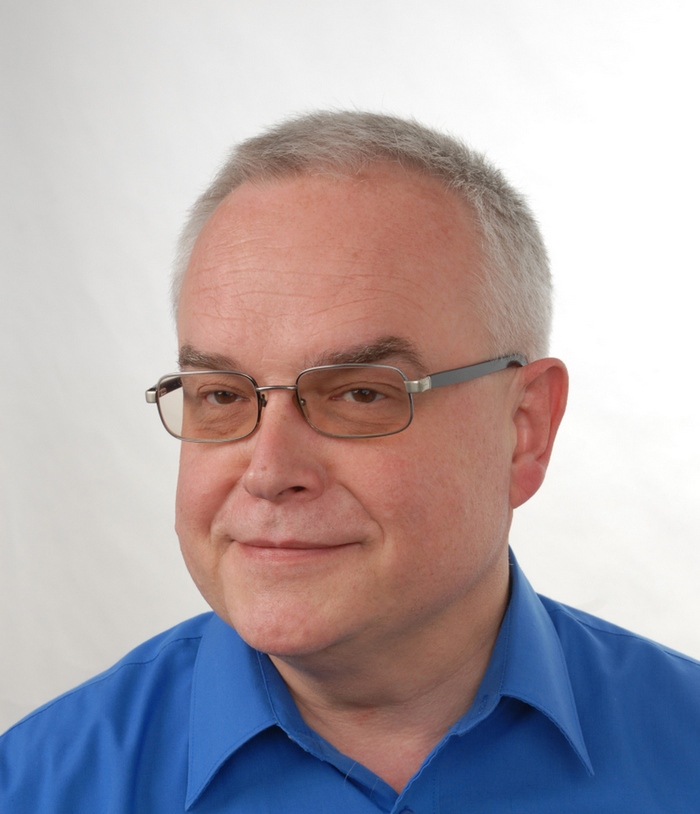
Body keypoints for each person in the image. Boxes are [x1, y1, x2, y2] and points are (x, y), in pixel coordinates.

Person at [1, 111, 698, 812]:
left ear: (525, 429)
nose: (270, 472)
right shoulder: (33, 789)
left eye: (361, 394)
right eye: (222, 395)